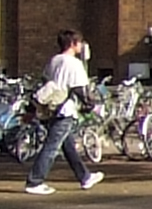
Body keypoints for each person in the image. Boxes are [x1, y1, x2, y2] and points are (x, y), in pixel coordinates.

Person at [26, 27, 101, 194]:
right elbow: (80, 89)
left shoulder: (54, 60)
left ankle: (85, 177)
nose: (81, 46)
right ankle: (35, 181)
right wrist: (90, 106)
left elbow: (45, 81)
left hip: (51, 108)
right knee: (51, 147)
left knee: (68, 146)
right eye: (80, 42)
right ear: (73, 43)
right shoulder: (74, 63)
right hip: (65, 110)